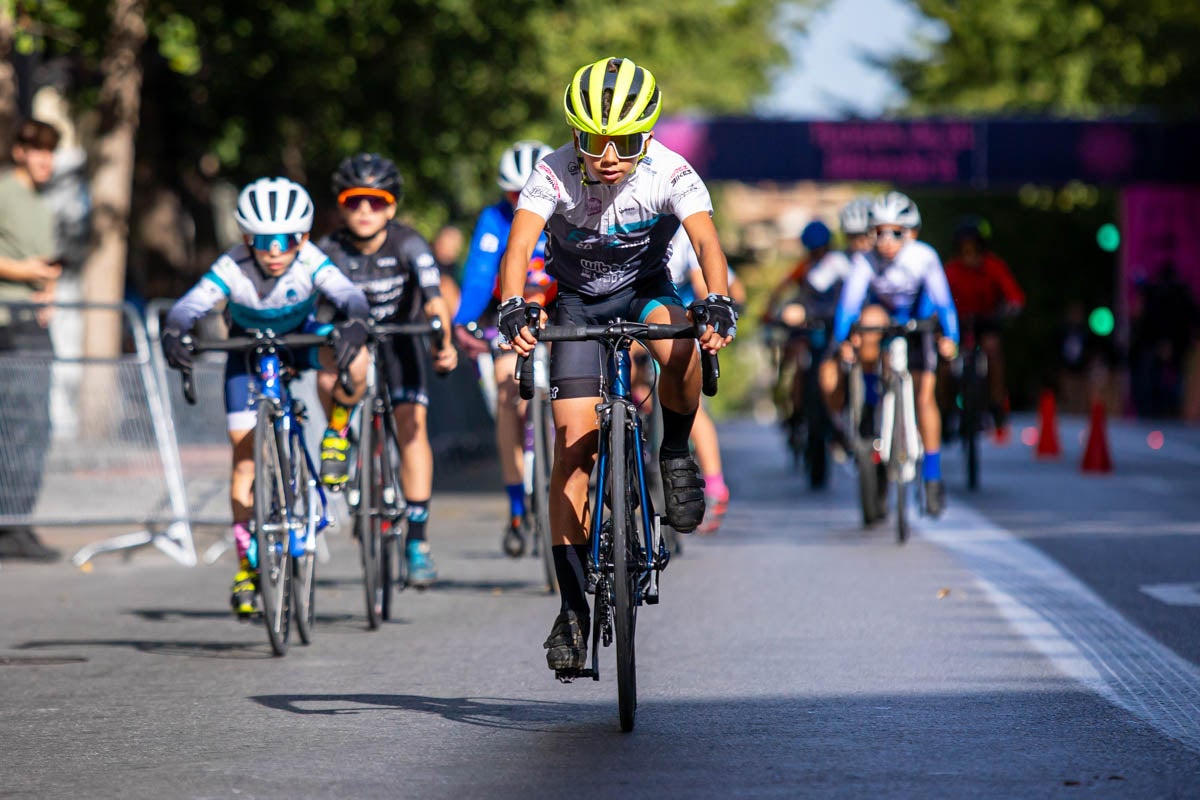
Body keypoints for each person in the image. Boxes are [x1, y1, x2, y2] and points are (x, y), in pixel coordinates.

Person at [499, 57, 736, 673]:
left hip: (647, 291)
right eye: (594, 141)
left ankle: (676, 451)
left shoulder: (671, 171)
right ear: (574, 134)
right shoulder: (550, 173)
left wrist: (717, 302)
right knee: (571, 443)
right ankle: (574, 609)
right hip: (576, 303)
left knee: (682, 345)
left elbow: (707, 242)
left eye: (625, 142)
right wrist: (513, 307)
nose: (608, 156)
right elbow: (520, 242)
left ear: (648, 136)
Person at [161, 177, 370, 617]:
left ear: (304, 237)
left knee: (350, 359)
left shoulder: (310, 260)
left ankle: (336, 434)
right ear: (245, 238)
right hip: (248, 351)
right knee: (243, 462)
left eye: (286, 239)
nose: (275, 250)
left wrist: (353, 322)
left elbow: (352, 298)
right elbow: (188, 306)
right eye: (262, 240)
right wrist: (175, 330)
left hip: (300, 339)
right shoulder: (232, 266)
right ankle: (247, 563)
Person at [318, 153, 457, 588]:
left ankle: (417, 540)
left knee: (412, 425)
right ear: (342, 205)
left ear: (391, 207)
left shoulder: (410, 244)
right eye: (354, 201)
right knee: (330, 362)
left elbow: (435, 301)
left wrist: (444, 344)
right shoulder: (329, 250)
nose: (364, 211)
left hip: (401, 340)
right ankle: (339, 432)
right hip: (349, 345)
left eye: (375, 202)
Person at [827, 191, 958, 517]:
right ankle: (872, 400)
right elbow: (849, 305)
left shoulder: (924, 257)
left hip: (919, 322)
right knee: (868, 322)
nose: (886, 240)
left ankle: (932, 474)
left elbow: (944, 303)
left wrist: (950, 337)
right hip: (883, 323)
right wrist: (843, 339)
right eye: (879, 232)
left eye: (896, 233)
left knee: (924, 397)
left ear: (910, 233)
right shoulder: (865, 260)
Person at [452, 140, 556, 552]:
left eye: (528, 191)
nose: (522, 201)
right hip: (511, 315)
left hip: (560, 309)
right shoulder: (494, 219)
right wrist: (465, 322)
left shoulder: (570, 208)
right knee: (507, 390)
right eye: (514, 193)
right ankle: (517, 502)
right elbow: (479, 273)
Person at [0, 119, 64, 562]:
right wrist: (29, 273)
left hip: (33, 322)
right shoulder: (5, 191)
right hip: (8, 323)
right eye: (37, 150)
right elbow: (25, 263)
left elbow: (46, 262)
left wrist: (49, 289)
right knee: (17, 426)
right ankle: (10, 525)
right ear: (20, 151)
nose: (45, 160)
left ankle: (19, 519)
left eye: (50, 151)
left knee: (36, 427)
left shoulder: (43, 203)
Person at [664, 226, 743, 533]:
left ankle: (714, 484)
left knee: (693, 407)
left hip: (683, 318)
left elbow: (702, 286)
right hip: (640, 316)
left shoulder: (684, 234)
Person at [942, 218, 1024, 440]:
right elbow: (938, 296)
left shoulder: (993, 266)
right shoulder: (951, 269)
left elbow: (1013, 295)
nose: (969, 254)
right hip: (957, 324)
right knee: (946, 361)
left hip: (987, 321)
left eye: (973, 248)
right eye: (964, 248)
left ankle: (996, 404)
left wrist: (1011, 307)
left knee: (992, 349)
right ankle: (945, 410)